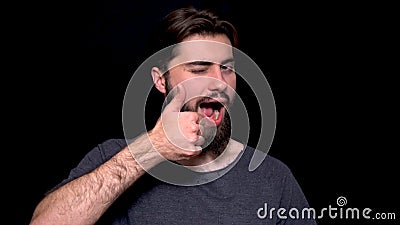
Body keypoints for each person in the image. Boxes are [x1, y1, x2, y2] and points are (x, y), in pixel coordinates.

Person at [30, 6, 317, 225]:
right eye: (199, 68)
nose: (219, 81)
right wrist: (150, 150)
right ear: (161, 80)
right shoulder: (114, 156)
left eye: (227, 68)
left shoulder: (272, 177)